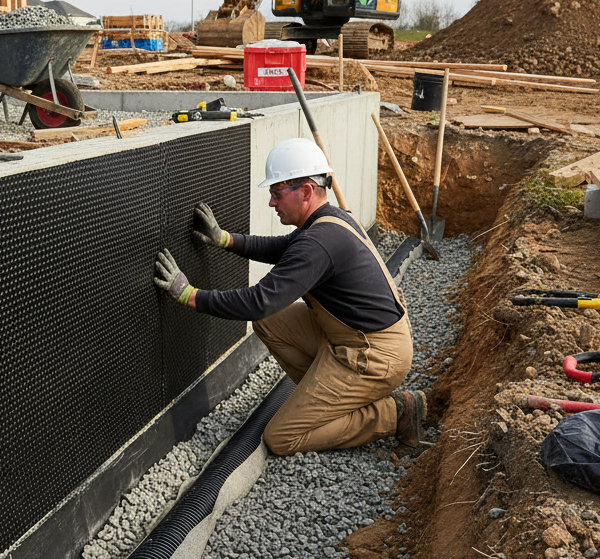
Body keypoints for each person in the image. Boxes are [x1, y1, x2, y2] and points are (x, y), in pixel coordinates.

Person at [153, 137, 425, 456]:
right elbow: (282, 249)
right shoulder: (328, 220)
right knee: (269, 322)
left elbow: (259, 300)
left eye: (276, 193)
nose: (271, 203)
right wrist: (225, 239)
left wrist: (189, 294)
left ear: (306, 191)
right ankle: (326, 401)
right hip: (353, 339)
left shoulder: (319, 241)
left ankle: (396, 413)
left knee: (281, 438)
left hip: (374, 355)